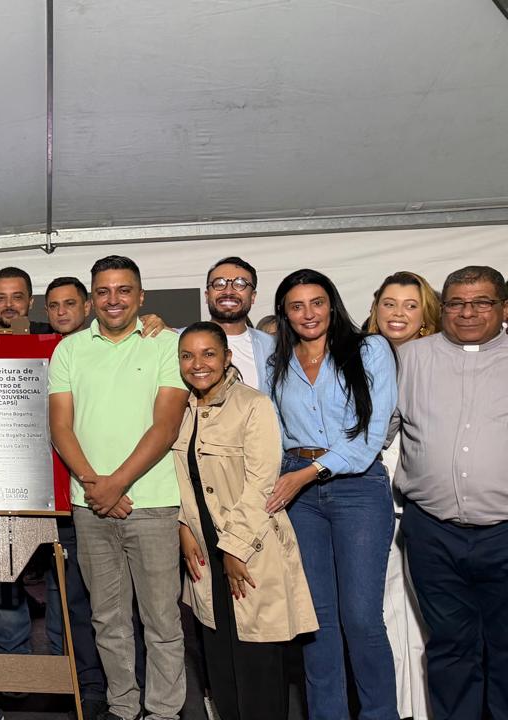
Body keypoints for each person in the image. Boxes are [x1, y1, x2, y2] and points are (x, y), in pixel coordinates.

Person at [48, 255, 189, 720]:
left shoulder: (168, 344)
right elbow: (61, 428)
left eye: (123, 290)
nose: (113, 300)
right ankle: (123, 707)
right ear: (92, 299)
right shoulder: (69, 349)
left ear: (141, 296)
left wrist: (117, 484)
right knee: (107, 620)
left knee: (161, 621)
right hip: (91, 506)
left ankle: (165, 712)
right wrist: (96, 486)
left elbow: (166, 426)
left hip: (153, 505)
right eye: (104, 291)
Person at [264, 269, 398, 720]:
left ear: (332, 304)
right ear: (284, 312)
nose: (308, 313)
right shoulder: (276, 362)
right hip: (298, 490)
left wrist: (309, 473)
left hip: (357, 489)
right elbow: (274, 432)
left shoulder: (370, 350)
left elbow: (371, 436)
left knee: (361, 619)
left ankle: (379, 714)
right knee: (315, 622)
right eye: (296, 305)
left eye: (317, 302)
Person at [173, 322, 317, 720]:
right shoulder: (179, 408)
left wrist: (233, 550)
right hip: (203, 555)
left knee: (257, 665)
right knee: (220, 667)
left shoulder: (253, 405)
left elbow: (262, 485)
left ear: (227, 358)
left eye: (208, 354)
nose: (198, 363)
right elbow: (182, 479)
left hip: (249, 549)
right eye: (188, 355)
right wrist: (185, 529)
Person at [393, 265, 508, 720]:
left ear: (503, 308)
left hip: (504, 532)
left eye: (481, 302)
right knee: (450, 647)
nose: (467, 312)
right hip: (432, 532)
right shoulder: (411, 358)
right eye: (457, 302)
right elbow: (379, 428)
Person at [364, 271, 441, 720]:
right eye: (389, 303)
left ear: (426, 313)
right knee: (384, 614)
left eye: (410, 305)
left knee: (425, 617)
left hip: (423, 506)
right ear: (375, 308)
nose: (398, 313)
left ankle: (430, 708)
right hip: (371, 504)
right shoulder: (356, 357)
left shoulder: (436, 359)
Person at [40, 276, 108, 718]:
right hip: (46, 495)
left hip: (95, 492)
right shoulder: (36, 347)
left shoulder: (107, 346)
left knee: (98, 599)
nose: (62, 311)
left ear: (86, 306)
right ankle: (74, 682)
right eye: (53, 305)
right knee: (63, 594)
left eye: (70, 303)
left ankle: (101, 685)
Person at [202, 257, 275, 390]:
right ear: (207, 296)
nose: (228, 291)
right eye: (219, 284)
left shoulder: (273, 347)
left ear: (253, 297)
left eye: (240, 284)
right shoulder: (177, 340)